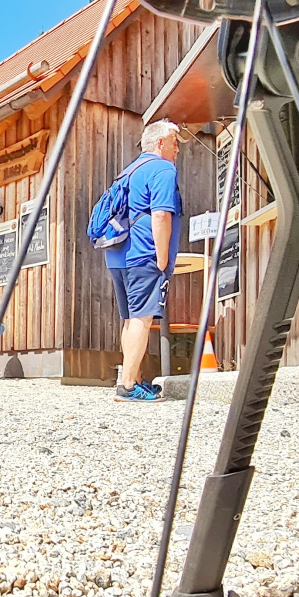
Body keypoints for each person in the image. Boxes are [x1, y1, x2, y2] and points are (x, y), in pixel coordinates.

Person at [116, 118, 183, 403]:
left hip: (118, 254)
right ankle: (128, 386)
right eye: (175, 142)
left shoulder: (129, 170)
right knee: (143, 318)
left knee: (130, 319)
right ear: (160, 143)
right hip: (144, 252)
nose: (177, 149)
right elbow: (160, 214)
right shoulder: (163, 168)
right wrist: (163, 256)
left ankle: (134, 379)